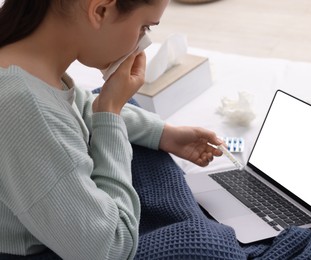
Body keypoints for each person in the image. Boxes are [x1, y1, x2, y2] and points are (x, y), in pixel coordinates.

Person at [0, 0, 224, 259]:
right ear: (100, 10)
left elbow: (76, 104)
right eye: (145, 28)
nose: (143, 44)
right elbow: (112, 248)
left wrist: (163, 134)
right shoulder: (23, 106)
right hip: (52, 249)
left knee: (126, 106)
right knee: (206, 244)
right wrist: (110, 111)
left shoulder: (25, 60)